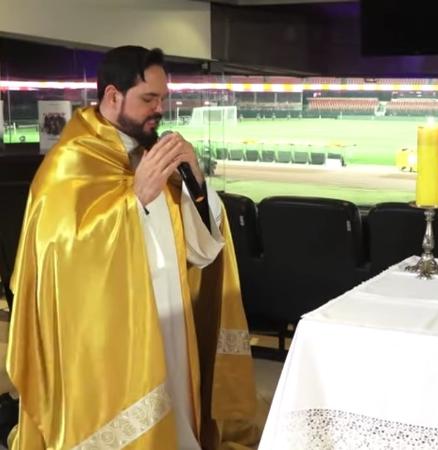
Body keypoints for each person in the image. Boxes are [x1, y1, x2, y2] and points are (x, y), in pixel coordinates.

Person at [6, 46, 257, 449]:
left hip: (168, 311)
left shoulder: (151, 151)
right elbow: (59, 256)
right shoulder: (69, 162)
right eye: (148, 99)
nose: (159, 109)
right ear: (112, 96)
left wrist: (195, 183)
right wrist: (133, 201)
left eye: (163, 99)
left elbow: (201, 252)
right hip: (105, 331)